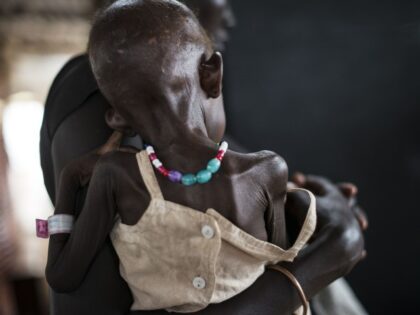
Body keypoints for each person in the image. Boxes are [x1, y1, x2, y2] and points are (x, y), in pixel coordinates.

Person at [41, 1, 366, 315]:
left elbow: (61, 276)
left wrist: (71, 182)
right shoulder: (268, 168)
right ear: (212, 76)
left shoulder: (114, 173)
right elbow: (277, 262)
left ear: (116, 117)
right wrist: (335, 245)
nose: (230, 17)